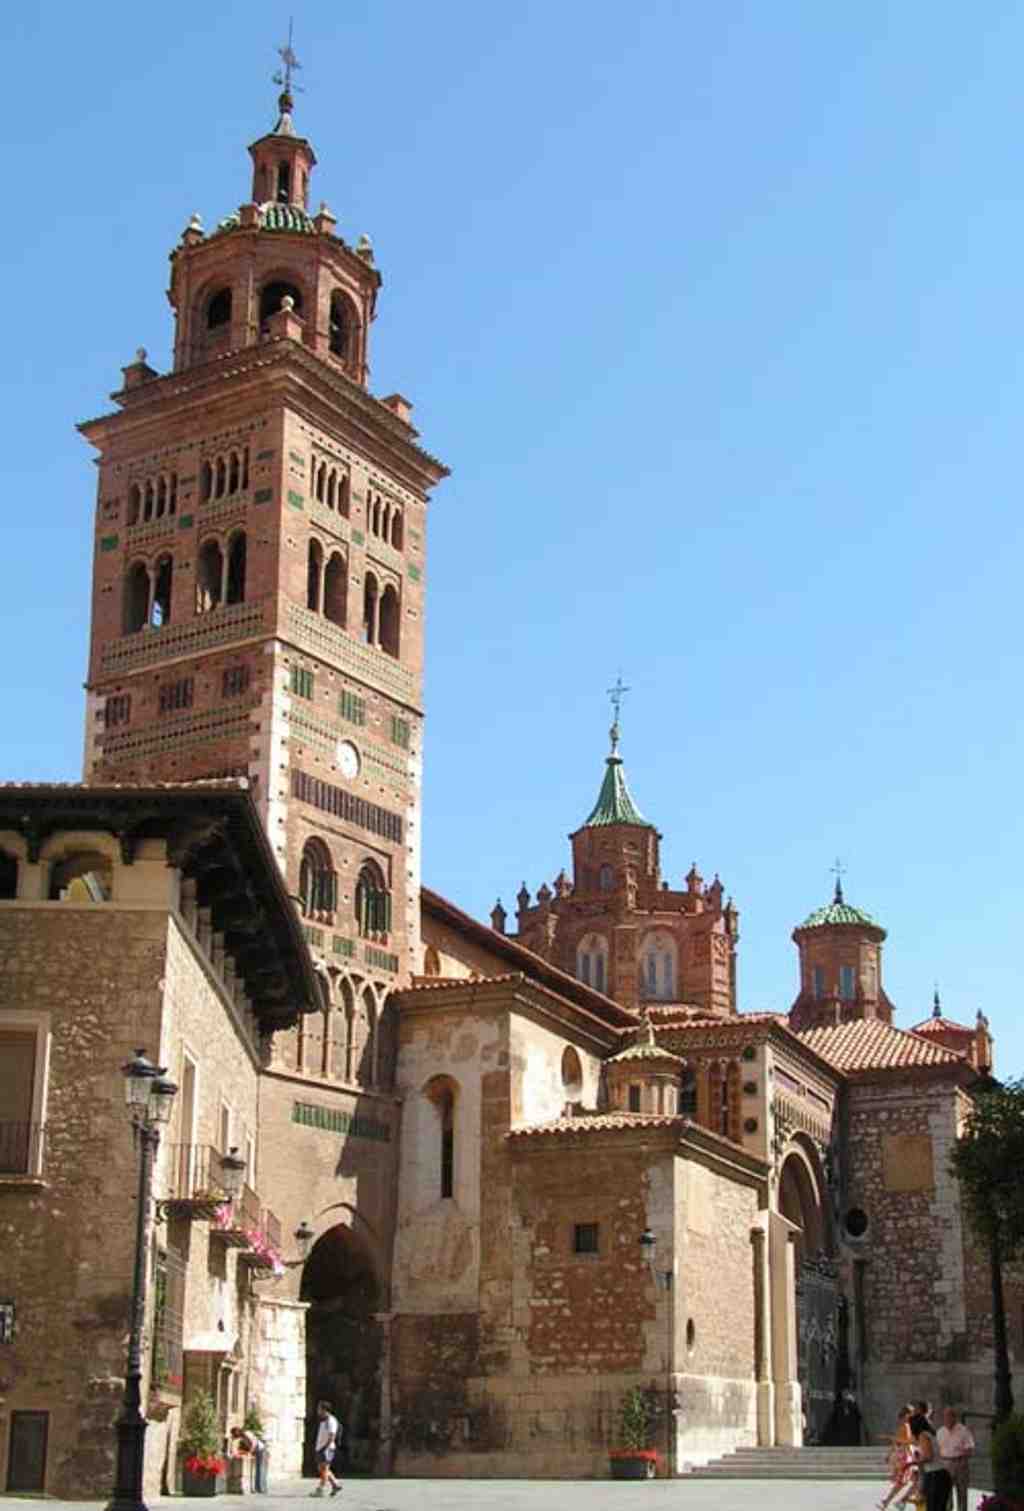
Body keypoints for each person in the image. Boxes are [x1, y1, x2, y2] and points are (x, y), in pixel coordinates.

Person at [909, 1410, 951, 1511]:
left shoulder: (923, 1435)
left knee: (933, 1507)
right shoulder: (930, 1434)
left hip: (935, 1476)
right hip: (941, 1474)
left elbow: (928, 1456)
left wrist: (913, 1462)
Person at [937, 1406, 974, 1511]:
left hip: (960, 1463)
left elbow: (970, 1448)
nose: (946, 1419)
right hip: (944, 1464)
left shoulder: (963, 1430)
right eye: (944, 1417)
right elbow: (938, 1450)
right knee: (946, 1494)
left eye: (948, 1416)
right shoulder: (940, 1432)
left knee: (962, 1493)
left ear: (954, 1417)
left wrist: (963, 1460)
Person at [878, 1406, 914, 1511]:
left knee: (905, 1481)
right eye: (910, 1414)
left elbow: (897, 1442)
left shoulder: (904, 1426)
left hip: (903, 1455)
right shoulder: (906, 1426)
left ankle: (891, 1501)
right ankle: (891, 1501)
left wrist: (889, 1455)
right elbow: (905, 1442)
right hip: (906, 1456)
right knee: (904, 1482)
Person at [312, 1400, 342, 1498]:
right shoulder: (324, 1420)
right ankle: (335, 1484)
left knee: (324, 1469)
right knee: (321, 1468)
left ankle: (320, 1490)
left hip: (326, 1449)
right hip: (321, 1448)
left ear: (324, 1410)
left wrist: (325, 1448)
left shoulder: (331, 1421)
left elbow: (332, 1436)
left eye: (319, 1408)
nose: (318, 1410)